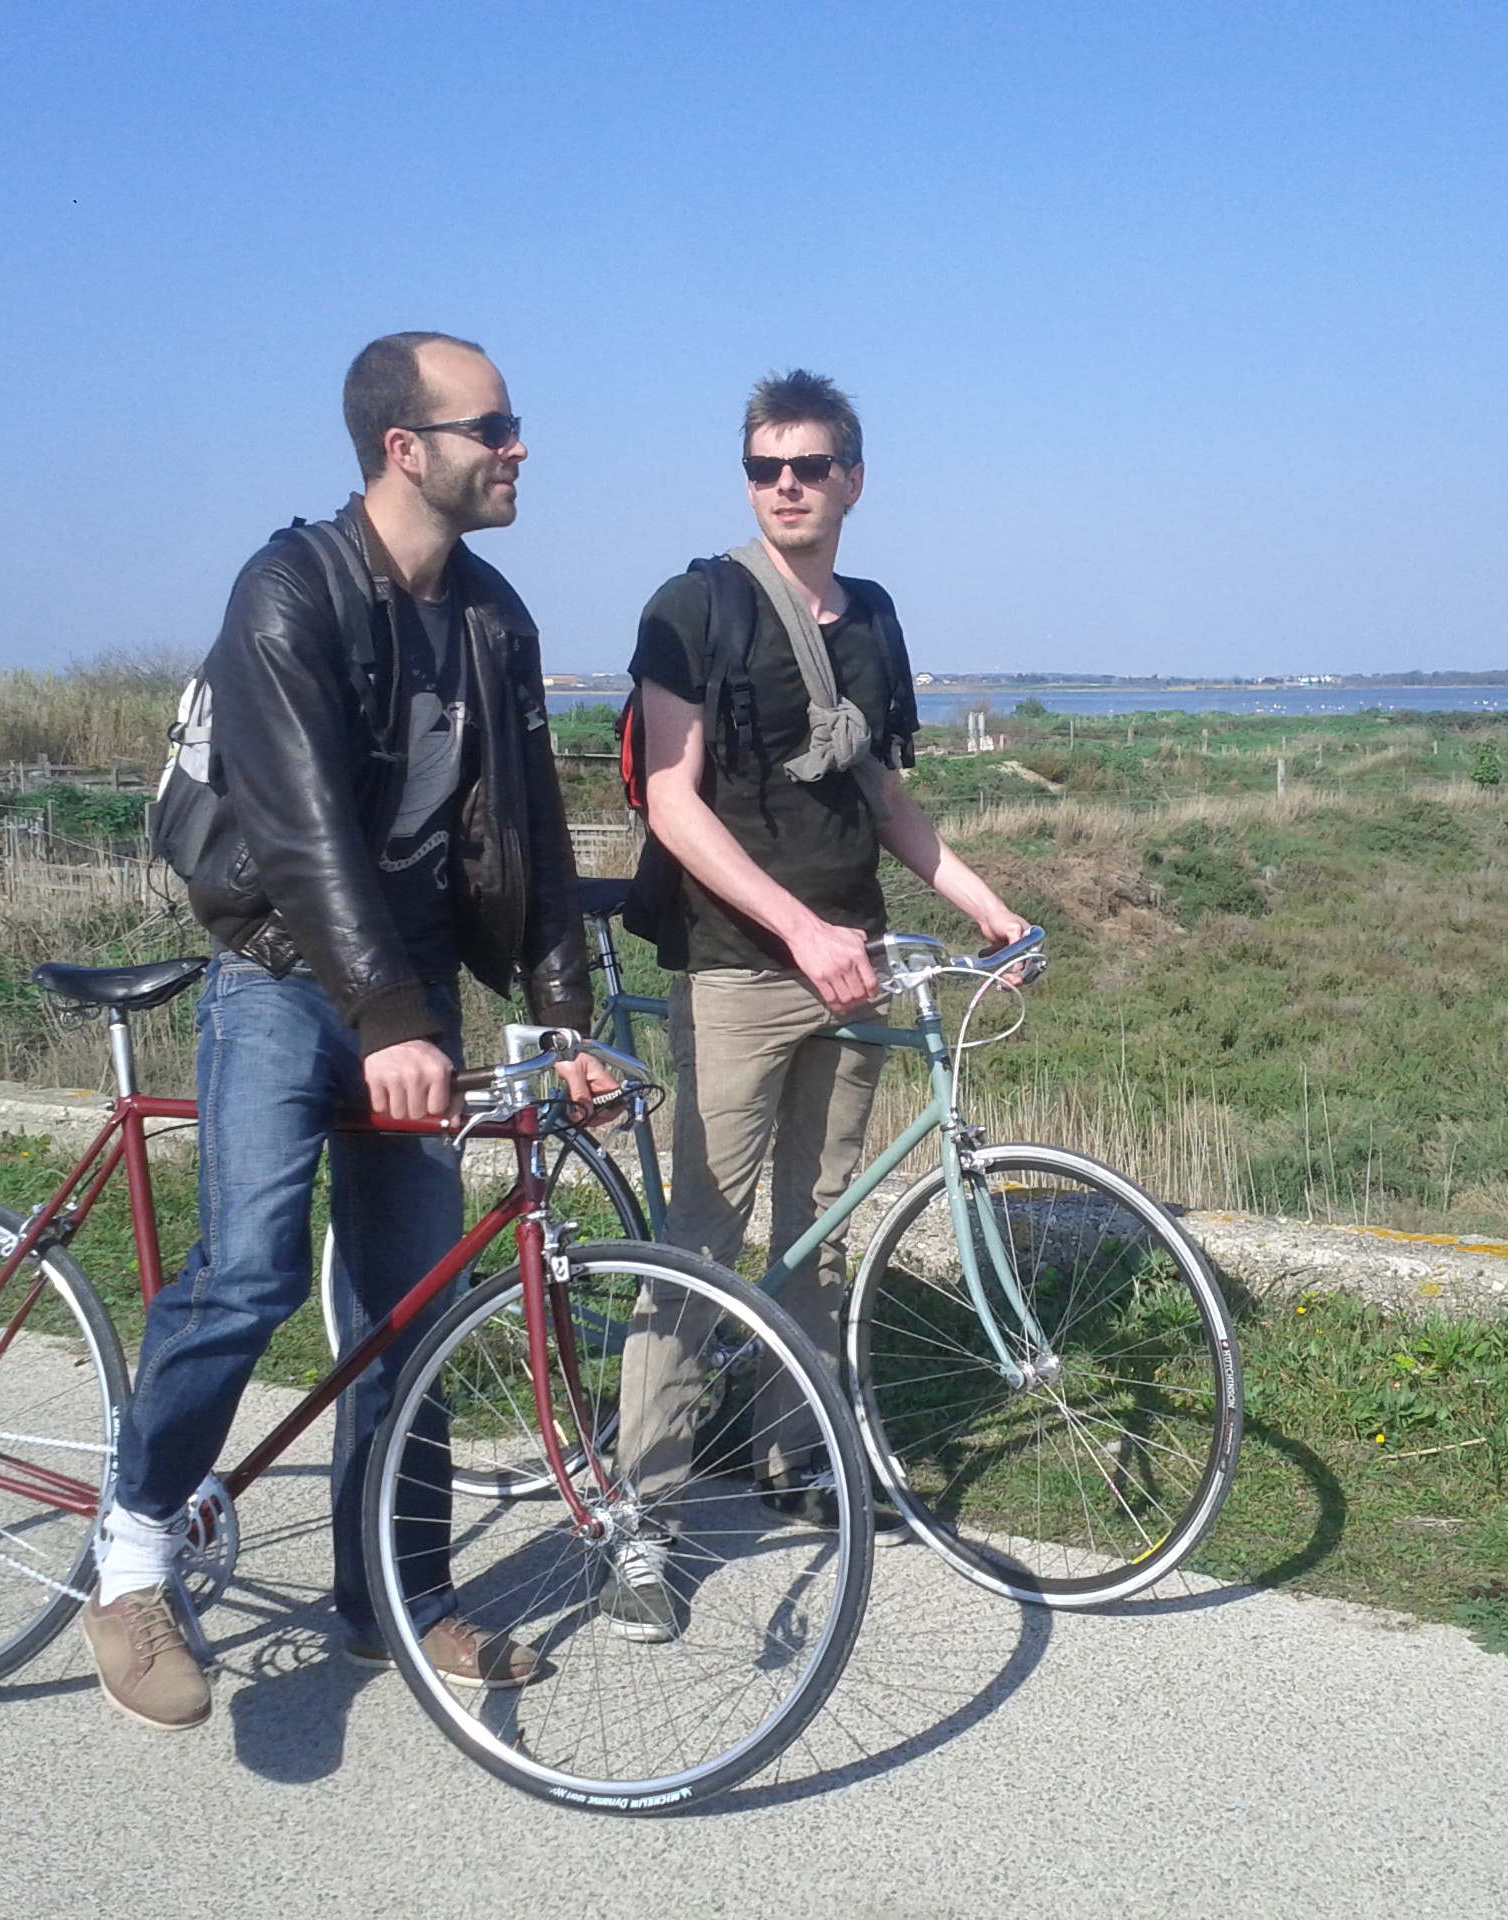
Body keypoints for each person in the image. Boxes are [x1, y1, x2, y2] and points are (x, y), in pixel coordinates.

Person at [84, 331, 608, 1730]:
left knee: (408, 1310)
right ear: (405, 448)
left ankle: (396, 1595)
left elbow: (533, 828)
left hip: (410, 992)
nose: (519, 446)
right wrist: (381, 1016)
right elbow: (303, 828)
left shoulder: (493, 619)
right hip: (281, 977)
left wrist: (564, 1018)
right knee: (248, 1274)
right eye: (494, 425)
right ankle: (131, 1559)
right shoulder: (288, 592)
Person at [607, 369, 1028, 1640]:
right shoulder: (694, 607)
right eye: (763, 467)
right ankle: (641, 1518)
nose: (783, 485)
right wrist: (798, 930)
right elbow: (669, 801)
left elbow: (882, 795)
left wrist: (987, 909)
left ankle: (795, 1459)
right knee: (699, 1241)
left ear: (852, 479)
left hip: (856, 958)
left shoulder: (875, 618)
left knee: (820, 1224)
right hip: (740, 966)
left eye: (807, 466)